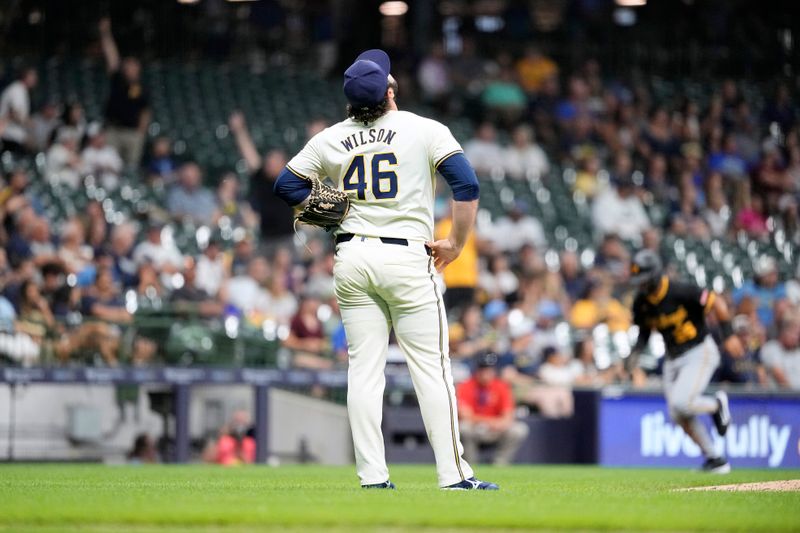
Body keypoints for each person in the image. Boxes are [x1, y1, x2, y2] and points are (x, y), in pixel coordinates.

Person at [273, 49, 496, 490]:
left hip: (353, 257)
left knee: (364, 371)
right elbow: (466, 185)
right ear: (390, 92)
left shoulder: (331, 137)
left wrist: (325, 211)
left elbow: (286, 185)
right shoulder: (424, 128)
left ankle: (373, 478)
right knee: (431, 369)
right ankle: (453, 475)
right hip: (408, 257)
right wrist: (455, 243)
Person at [626, 250, 744, 474]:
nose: (640, 286)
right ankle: (715, 459)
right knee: (678, 413)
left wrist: (728, 335)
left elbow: (716, 302)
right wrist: (635, 354)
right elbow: (644, 330)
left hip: (699, 350)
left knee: (681, 403)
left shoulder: (679, 290)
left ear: (654, 275)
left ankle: (716, 405)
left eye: (643, 281)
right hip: (673, 358)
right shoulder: (641, 302)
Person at [457, 352, 529, 466]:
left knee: (519, 429)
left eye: (489, 369)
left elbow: (508, 416)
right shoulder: (466, 385)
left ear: (494, 370)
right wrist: (492, 422)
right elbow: (465, 416)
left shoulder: (501, 386)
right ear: (477, 369)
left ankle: (500, 463)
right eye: (482, 368)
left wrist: (498, 423)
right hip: (475, 427)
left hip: (495, 429)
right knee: (463, 427)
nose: (485, 372)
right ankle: (470, 465)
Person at [98, 17, 150, 168]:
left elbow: (145, 111)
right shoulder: (118, 80)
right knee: (110, 164)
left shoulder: (142, 88)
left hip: (132, 133)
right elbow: (112, 58)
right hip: (113, 130)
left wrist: (140, 133)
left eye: (134, 66)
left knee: (131, 167)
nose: (131, 69)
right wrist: (106, 33)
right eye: (128, 66)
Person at [0, 66, 38, 154]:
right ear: (25, 76)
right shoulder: (17, 89)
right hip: (8, 133)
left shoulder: (22, 90)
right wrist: (29, 123)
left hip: (14, 132)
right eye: (32, 76)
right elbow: (14, 113)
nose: (35, 79)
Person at [759, 316, 800, 390]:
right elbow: (779, 375)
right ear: (784, 332)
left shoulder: (797, 352)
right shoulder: (771, 348)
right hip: (781, 398)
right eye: (794, 334)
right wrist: (795, 396)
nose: (796, 338)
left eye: (797, 335)